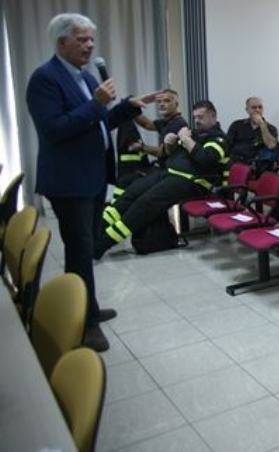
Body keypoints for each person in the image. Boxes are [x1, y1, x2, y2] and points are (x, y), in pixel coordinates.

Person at [26, 12, 159, 351]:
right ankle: (83, 324)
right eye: (81, 39)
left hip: (93, 177)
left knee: (85, 249)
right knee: (80, 251)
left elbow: (98, 122)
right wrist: (97, 103)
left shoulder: (84, 77)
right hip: (69, 181)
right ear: (62, 43)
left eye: (91, 39)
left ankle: (91, 308)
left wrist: (128, 107)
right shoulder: (45, 79)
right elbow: (55, 130)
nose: (89, 45)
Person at [95, 100, 228, 259]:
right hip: (169, 173)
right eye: (195, 117)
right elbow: (169, 155)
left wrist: (186, 140)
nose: (197, 121)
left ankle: (101, 245)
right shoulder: (194, 133)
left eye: (201, 117)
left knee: (143, 204)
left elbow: (206, 159)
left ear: (213, 116)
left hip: (192, 182)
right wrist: (169, 145)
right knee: (131, 193)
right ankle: (95, 232)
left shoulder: (219, 138)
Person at [225, 96, 279, 172]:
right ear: (247, 110)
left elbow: (271, 146)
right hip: (236, 163)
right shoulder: (236, 125)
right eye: (254, 107)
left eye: (260, 107)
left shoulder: (271, 128)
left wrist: (262, 124)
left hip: (256, 166)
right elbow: (227, 145)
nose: (257, 110)